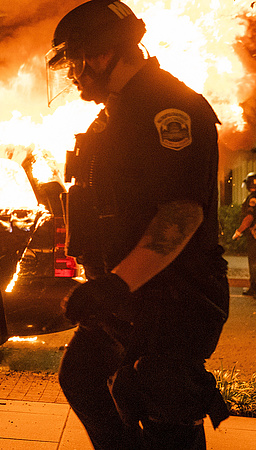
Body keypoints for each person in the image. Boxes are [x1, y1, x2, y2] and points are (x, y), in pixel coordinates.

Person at [47, 1, 230, 448]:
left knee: (164, 406)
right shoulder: (116, 112)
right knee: (83, 378)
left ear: (101, 54)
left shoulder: (169, 108)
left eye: (74, 59)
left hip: (173, 298)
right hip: (127, 295)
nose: (70, 73)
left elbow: (182, 212)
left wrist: (116, 285)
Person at [232, 172, 256, 296]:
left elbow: (249, 217)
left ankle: (254, 288)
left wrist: (238, 231)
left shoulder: (252, 199)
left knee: (254, 263)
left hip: (254, 236)